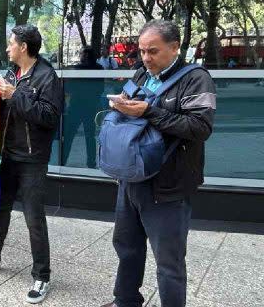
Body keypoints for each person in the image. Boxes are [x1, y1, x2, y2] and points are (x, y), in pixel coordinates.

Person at [100, 20, 216, 307]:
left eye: (153, 51)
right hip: (132, 177)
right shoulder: (141, 73)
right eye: (141, 51)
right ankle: (125, 301)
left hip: (169, 186)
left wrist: (150, 112)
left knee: (169, 263)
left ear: (175, 47)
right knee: (127, 248)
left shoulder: (196, 78)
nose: (146, 58)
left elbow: (200, 127)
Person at [0, 25, 63, 304]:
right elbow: (6, 106)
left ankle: (42, 275)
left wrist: (14, 95)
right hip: (5, 153)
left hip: (31, 158)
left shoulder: (47, 77)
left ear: (24, 47)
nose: (7, 48)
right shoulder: (11, 74)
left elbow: (48, 117)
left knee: (34, 219)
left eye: (11, 44)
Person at [61, 46, 103, 168]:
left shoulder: (77, 69)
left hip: (76, 107)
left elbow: (69, 88)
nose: (81, 56)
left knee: (69, 136)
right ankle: (91, 163)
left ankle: (62, 162)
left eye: (82, 54)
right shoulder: (99, 69)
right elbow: (100, 89)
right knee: (90, 136)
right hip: (90, 107)